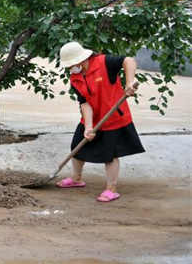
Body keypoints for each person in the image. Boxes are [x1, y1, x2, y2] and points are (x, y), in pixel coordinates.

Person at [56, 41, 144, 202]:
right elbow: (84, 103)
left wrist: (129, 82)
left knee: (110, 155)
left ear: (82, 60)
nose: (70, 68)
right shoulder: (75, 78)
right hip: (92, 117)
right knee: (77, 146)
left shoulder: (104, 62)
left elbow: (128, 60)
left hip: (113, 117)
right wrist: (88, 127)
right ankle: (76, 179)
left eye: (72, 65)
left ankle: (111, 189)